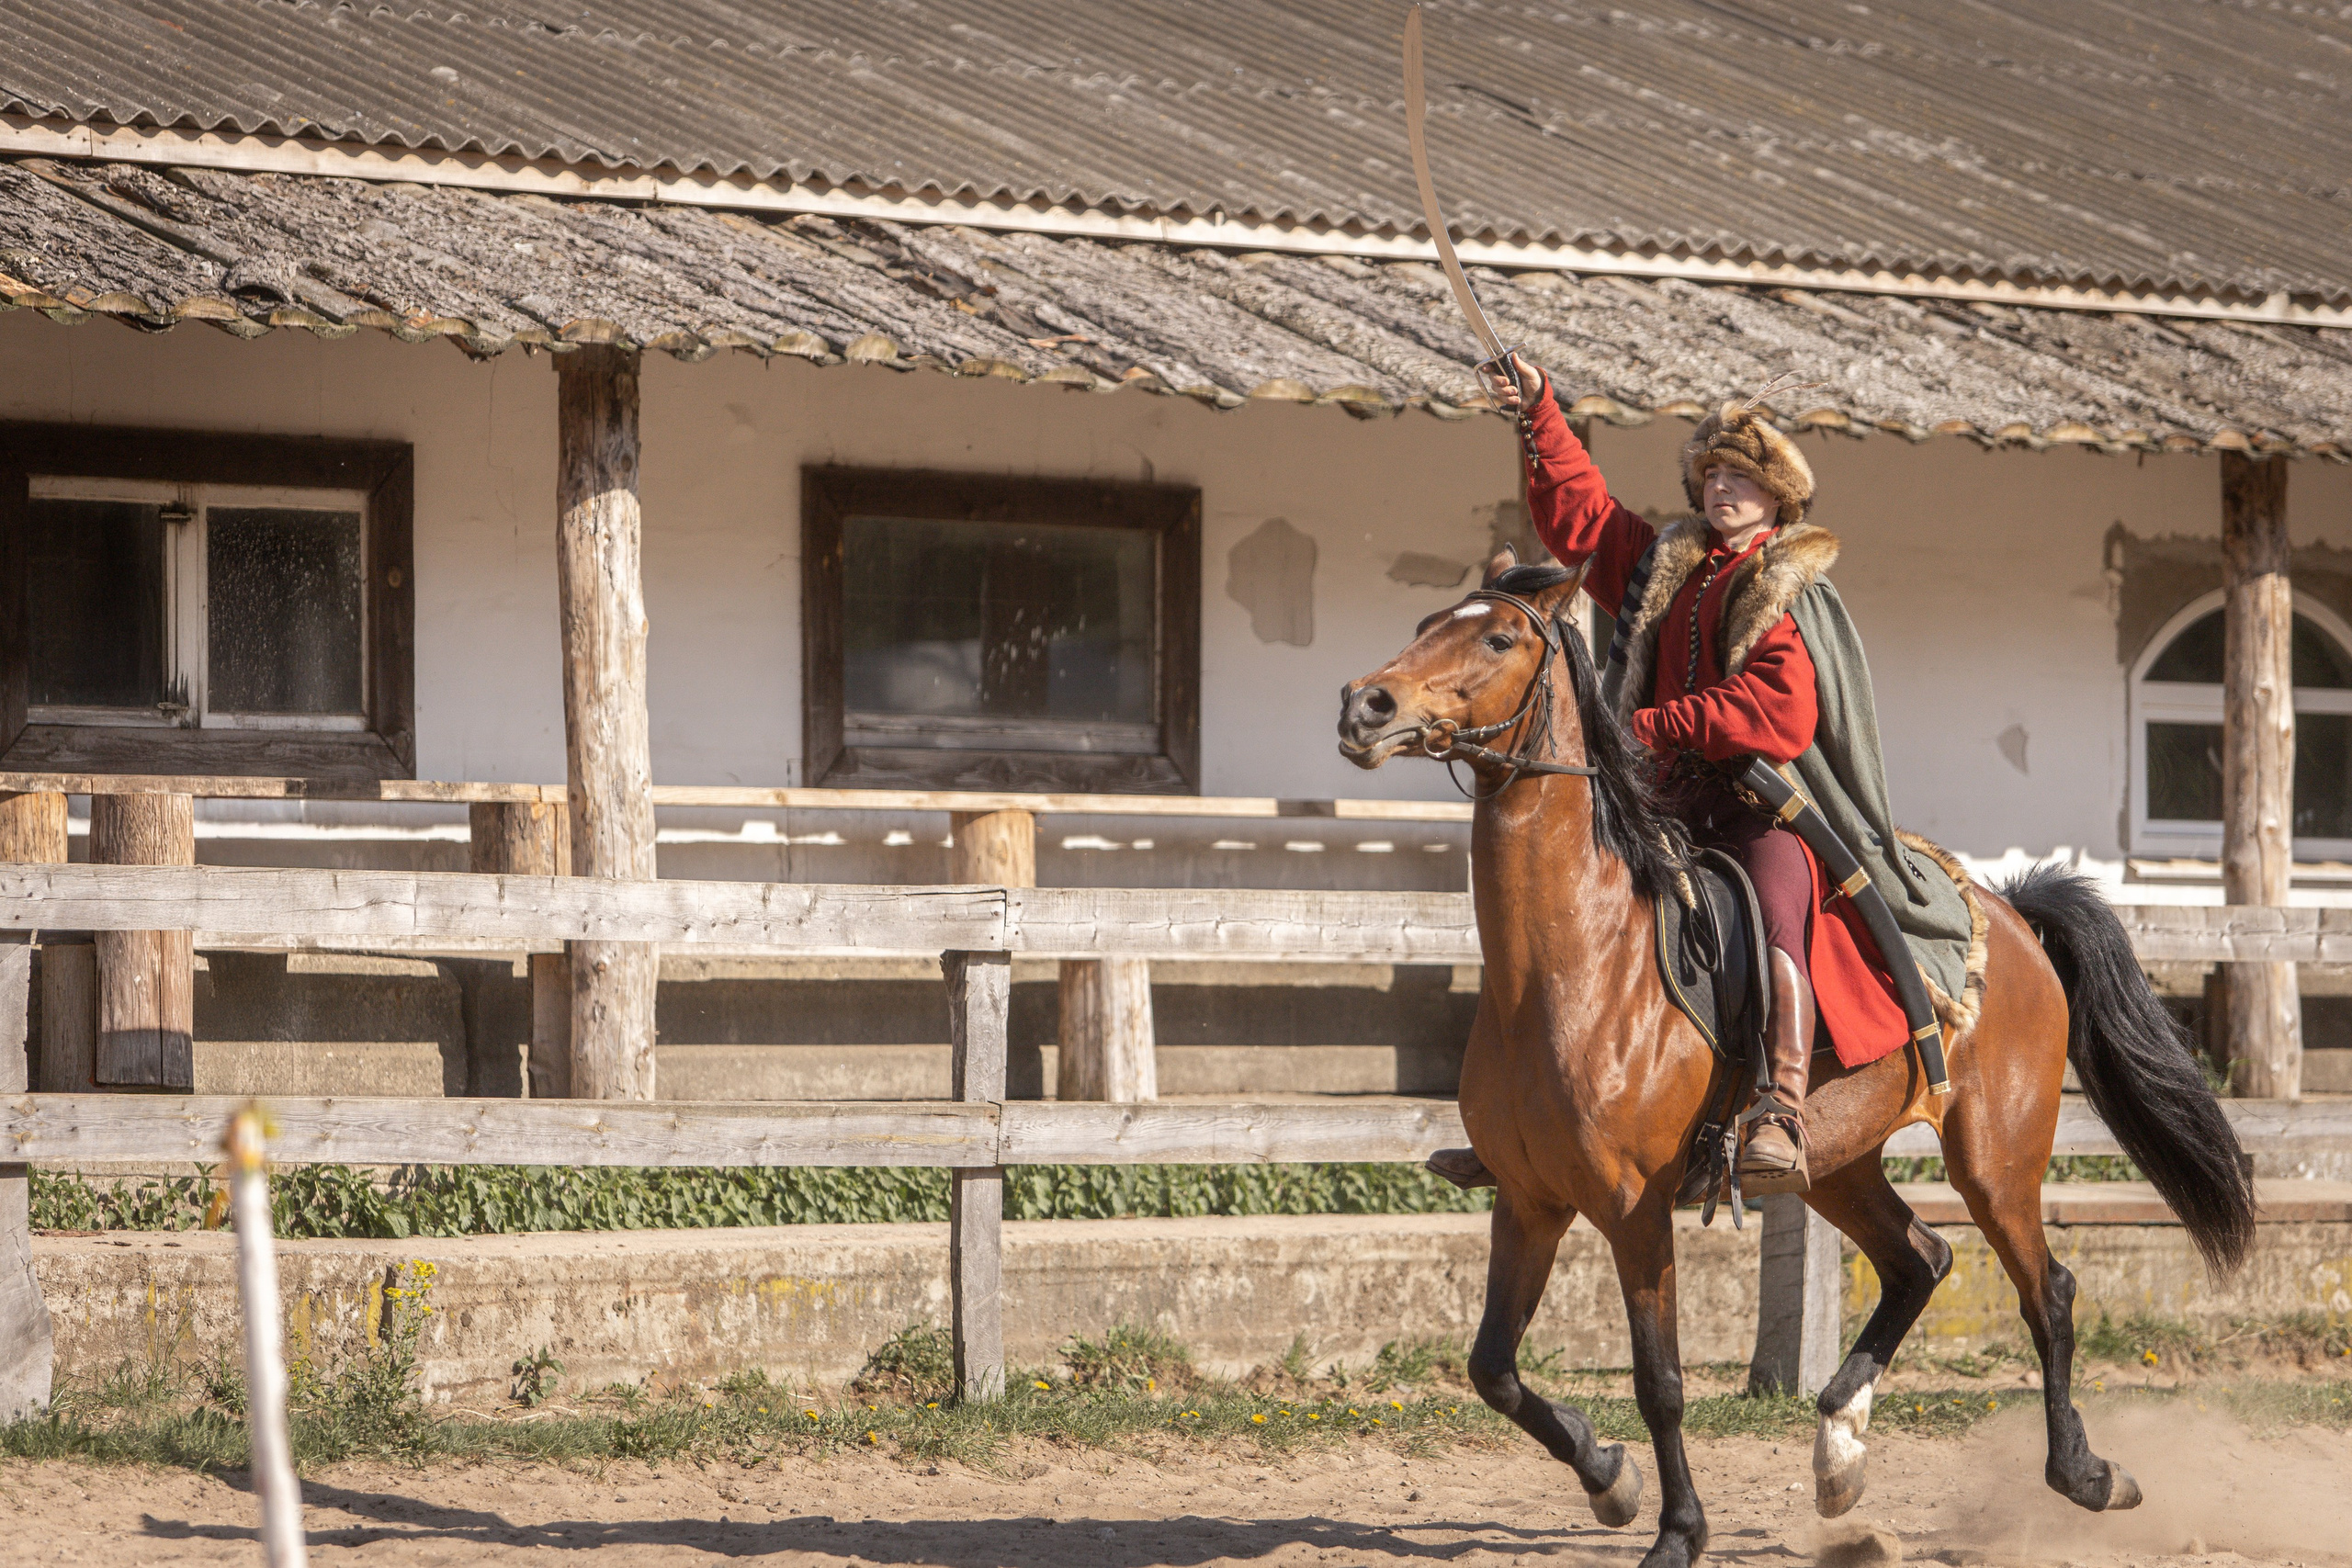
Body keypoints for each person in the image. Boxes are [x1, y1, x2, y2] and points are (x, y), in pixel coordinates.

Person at [1430, 355, 1952, 1196]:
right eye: (1711, 473)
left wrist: (1652, 723)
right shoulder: (1667, 563)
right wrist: (1538, 415)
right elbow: (1584, 519)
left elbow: (1777, 710)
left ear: (1776, 495)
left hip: (1755, 809)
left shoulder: (1789, 586)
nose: (1720, 489)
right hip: (1659, 803)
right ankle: (1524, 1122)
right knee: (1556, 912)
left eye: (1740, 477)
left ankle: (1781, 1105)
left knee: (1782, 909)